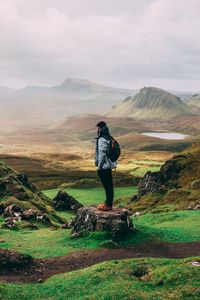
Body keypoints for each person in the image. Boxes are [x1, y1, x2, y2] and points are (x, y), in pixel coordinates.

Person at [95, 121, 117, 211]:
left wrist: (99, 167)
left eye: (97, 128)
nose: (96, 130)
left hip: (104, 166)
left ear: (99, 128)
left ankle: (108, 205)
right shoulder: (108, 136)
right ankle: (108, 203)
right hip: (108, 165)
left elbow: (102, 153)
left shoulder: (102, 138)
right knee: (109, 185)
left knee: (107, 185)